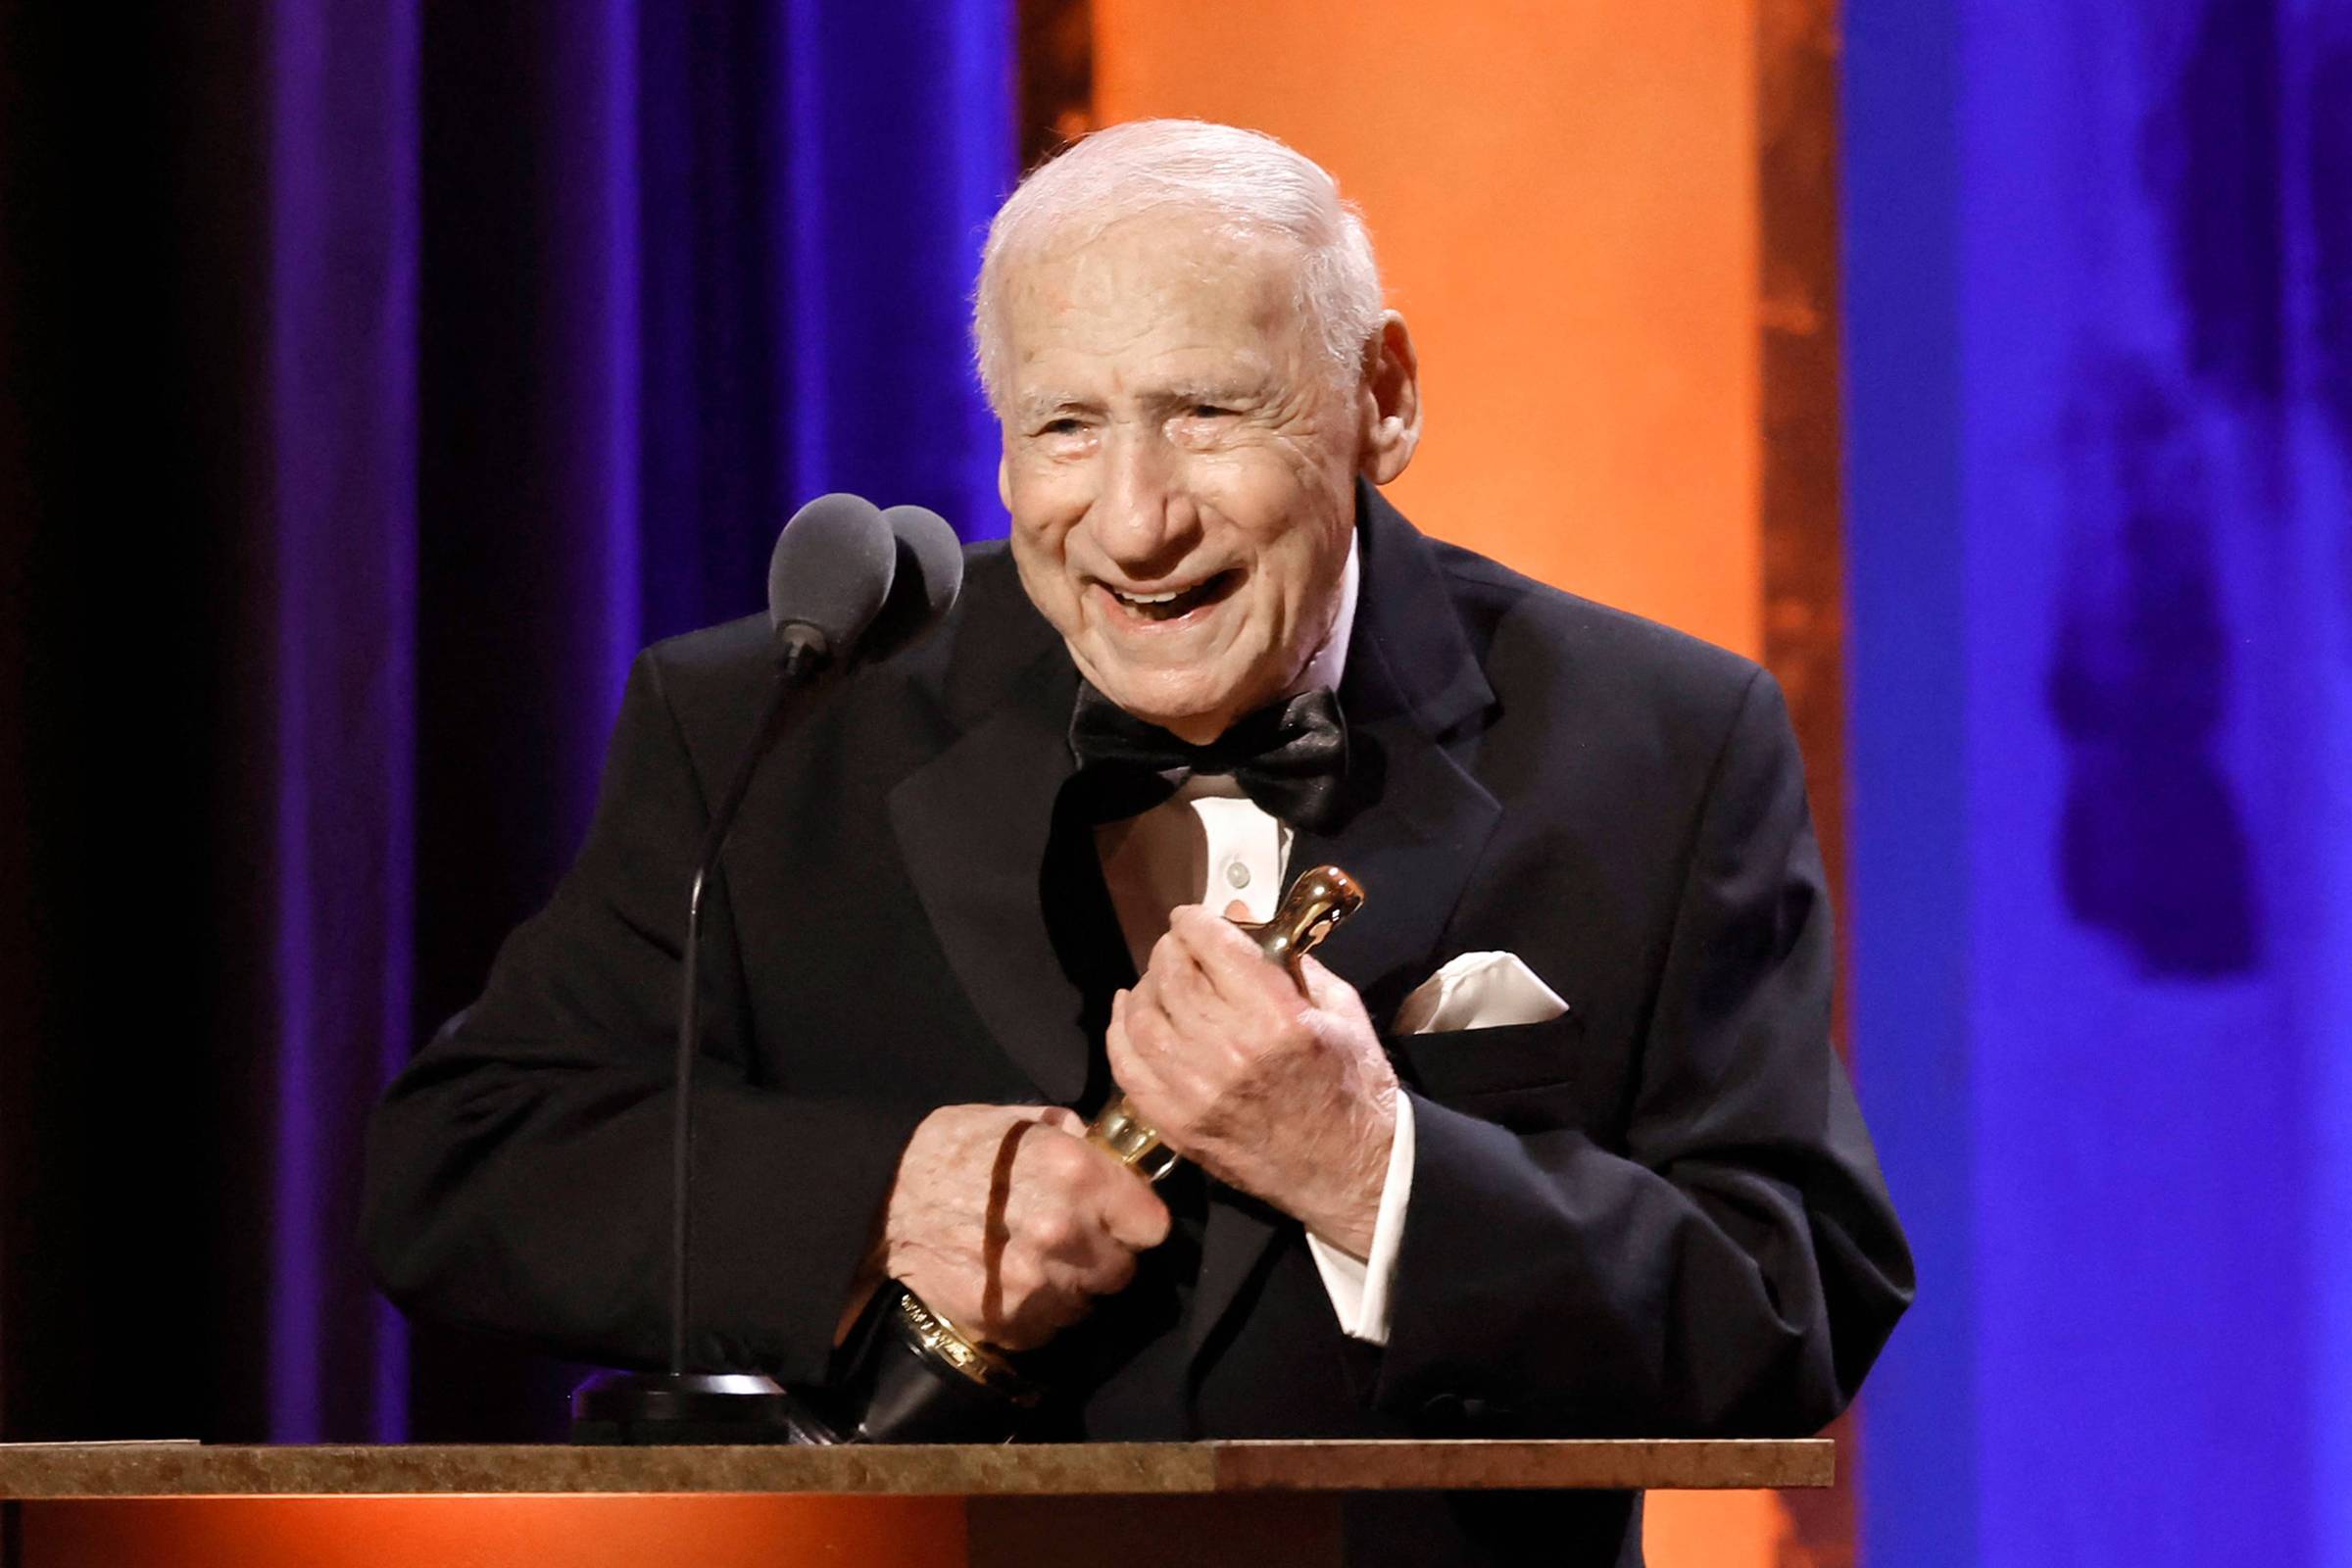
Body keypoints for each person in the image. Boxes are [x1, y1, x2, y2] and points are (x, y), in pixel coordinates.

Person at [366, 119, 1912, 1567]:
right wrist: (887, 1196)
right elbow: (464, 1167)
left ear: (1384, 397)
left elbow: (1787, 1322)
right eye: (1065, 427)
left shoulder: (1656, 741)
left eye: (1208, 415)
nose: (1132, 520)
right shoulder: (780, 726)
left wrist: (1378, 1173)